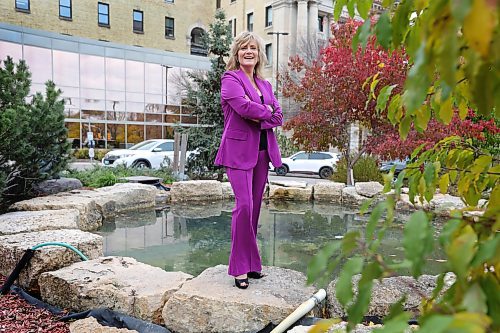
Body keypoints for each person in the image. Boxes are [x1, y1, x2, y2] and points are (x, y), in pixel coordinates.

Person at [215, 31, 283, 289]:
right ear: (237, 52)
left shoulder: (265, 85)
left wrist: (262, 114)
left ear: (259, 54)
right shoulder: (230, 79)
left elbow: (279, 117)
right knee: (243, 206)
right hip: (238, 152)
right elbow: (243, 108)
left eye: (253, 47)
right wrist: (265, 112)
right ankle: (239, 268)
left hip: (263, 152)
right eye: (244, 47)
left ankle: (253, 265)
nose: (249, 51)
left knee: (254, 210)